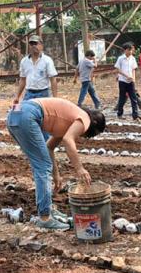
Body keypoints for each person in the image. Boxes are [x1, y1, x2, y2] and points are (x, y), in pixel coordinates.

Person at [7, 97, 105, 230]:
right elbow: (68, 140)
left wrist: (56, 175)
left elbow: (49, 147)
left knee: (40, 165)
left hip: (15, 112)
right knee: (43, 166)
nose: (87, 136)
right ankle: (45, 218)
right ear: (94, 124)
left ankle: (48, 210)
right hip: (28, 114)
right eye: (94, 134)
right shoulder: (85, 119)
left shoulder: (67, 121)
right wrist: (80, 168)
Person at [14, 35, 58, 103]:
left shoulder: (47, 60)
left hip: (43, 93)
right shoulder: (24, 61)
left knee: (43, 110)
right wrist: (17, 96)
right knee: (26, 109)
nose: (33, 46)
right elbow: (23, 80)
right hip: (29, 93)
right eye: (31, 44)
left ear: (41, 45)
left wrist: (55, 99)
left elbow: (53, 80)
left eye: (35, 43)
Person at [114, 42, 141, 120]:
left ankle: (135, 116)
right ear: (125, 50)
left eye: (131, 50)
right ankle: (119, 114)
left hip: (131, 81)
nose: (131, 52)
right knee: (122, 98)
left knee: (133, 98)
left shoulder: (132, 58)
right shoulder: (120, 58)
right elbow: (118, 70)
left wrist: (133, 79)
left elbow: (133, 69)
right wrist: (126, 76)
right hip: (122, 81)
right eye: (129, 50)